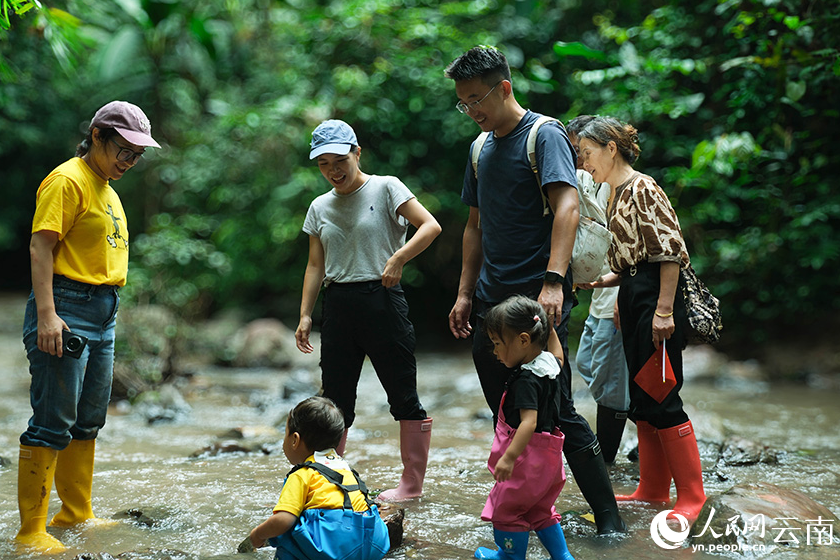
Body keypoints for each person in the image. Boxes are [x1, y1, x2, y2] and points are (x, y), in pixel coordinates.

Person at [444, 46, 625, 535]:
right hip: (491, 301)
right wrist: (464, 293)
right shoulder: (479, 148)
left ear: (504, 87)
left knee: (557, 408)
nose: (472, 110)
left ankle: (609, 519)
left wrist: (553, 281)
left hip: (536, 299)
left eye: (477, 99)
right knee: (508, 410)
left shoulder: (543, 135)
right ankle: (529, 507)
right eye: (463, 102)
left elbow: (566, 206)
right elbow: (474, 226)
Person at [16, 101, 161, 553]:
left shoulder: (107, 188)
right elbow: (41, 248)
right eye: (124, 150)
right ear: (97, 135)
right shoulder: (68, 180)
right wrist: (47, 314)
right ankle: (31, 532)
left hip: (103, 313)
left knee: (88, 419)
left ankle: (76, 512)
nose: (129, 161)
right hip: (65, 308)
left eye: (137, 155)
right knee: (52, 421)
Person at [295, 119, 441, 502]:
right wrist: (306, 315)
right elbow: (315, 265)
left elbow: (430, 226)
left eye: (339, 160)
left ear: (357, 153)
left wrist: (399, 258)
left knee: (403, 395)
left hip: (383, 299)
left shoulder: (386, 187)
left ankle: (411, 486)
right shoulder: (319, 206)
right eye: (324, 164)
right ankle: (330, 480)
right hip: (337, 306)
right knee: (336, 401)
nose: (333, 170)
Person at [577, 116, 706, 522]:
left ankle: (693, 497)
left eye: (587, 153)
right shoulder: (616, 193)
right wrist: (605, 282)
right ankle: (652, 489)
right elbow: (631, 261)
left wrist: (664, 311)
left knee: (663, 394)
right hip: (634, 294)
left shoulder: (643, 187)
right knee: (642, 398)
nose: (584, 163)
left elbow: (669, 252)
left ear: (611, 148)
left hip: (656, 297)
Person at [474, 296, 574, 560]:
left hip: (525, 459)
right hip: (550, 458)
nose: (495, 352)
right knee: (540, 509)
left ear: (523, 340)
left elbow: (528, 423)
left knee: (506, 510)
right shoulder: (549, 365)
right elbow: (560, 354)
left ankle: (509, 556)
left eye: (498, 344)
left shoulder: (526, 380)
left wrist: (509, 458)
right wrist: (549, 329)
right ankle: (562, 555)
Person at [249, 396, 390, 560]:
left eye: (285, 434)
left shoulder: (302, 474)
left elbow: (284, 520)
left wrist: (257, 534)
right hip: (373, 542)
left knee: (287, 529)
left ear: (295, 440)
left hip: (336, 545)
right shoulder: (345, 468)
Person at [566, 115, 630, 465]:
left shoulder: (619, 186)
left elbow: (637, 250)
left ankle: (606, 459)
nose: (580, 158)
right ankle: (647, 421)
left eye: (584, 151)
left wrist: (623, 298)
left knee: (611, 381)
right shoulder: (589, 181)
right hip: (602, 291)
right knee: (589, 363)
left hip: (616, 295)